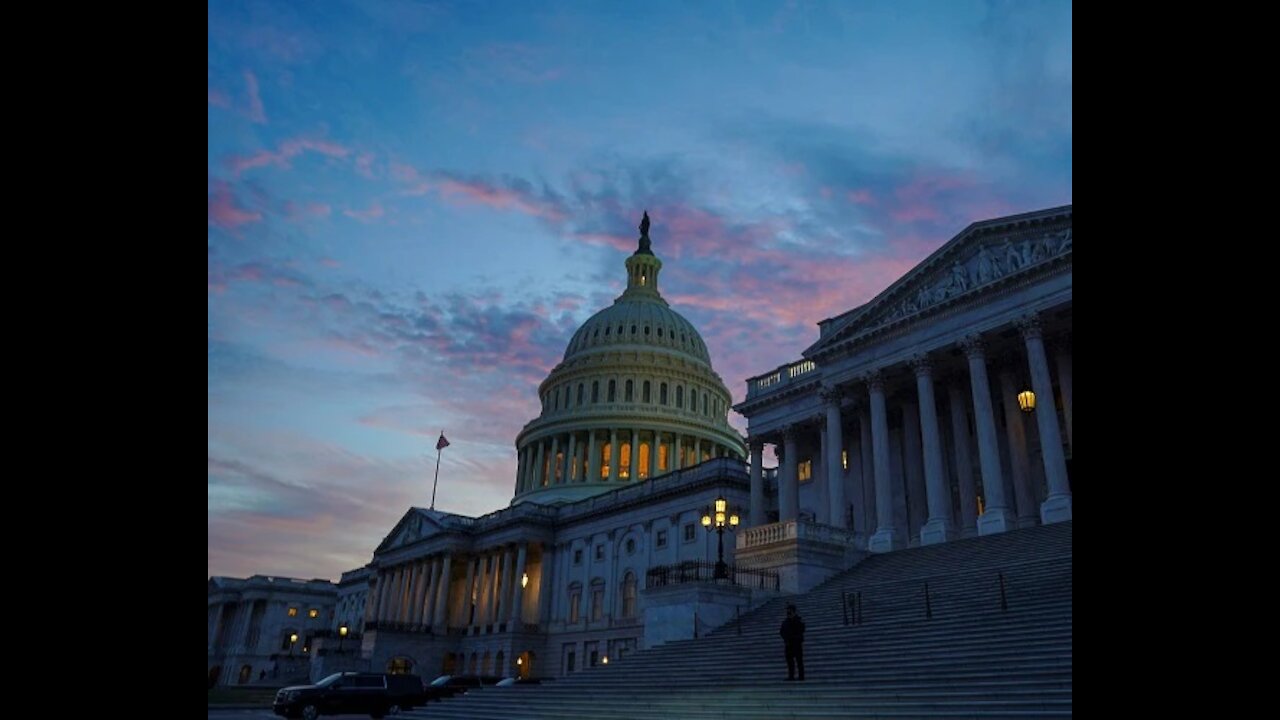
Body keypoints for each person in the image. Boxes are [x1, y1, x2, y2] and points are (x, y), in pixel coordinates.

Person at [779, 603, 805, 681]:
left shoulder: (798, 620)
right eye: (787, 611)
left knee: (799, 660)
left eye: (789, 611)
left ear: (794, 611)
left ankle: (801, 676)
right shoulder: (785, 622)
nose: (788, 613)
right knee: (789, 661)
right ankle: (791, 676)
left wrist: (794, 619)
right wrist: (785, 638)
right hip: (788, 644)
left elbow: (802, 629)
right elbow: (781, 631)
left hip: (796, 643)